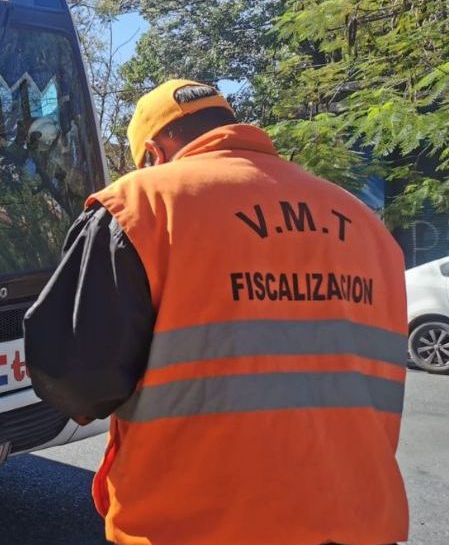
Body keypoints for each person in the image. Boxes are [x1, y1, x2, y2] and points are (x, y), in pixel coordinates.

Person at [23, 79, 409, 544]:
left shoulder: (141, 205)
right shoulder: (365, 224)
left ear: (151, 152)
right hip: (360, 519)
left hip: (199, 525)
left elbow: (76, 377)